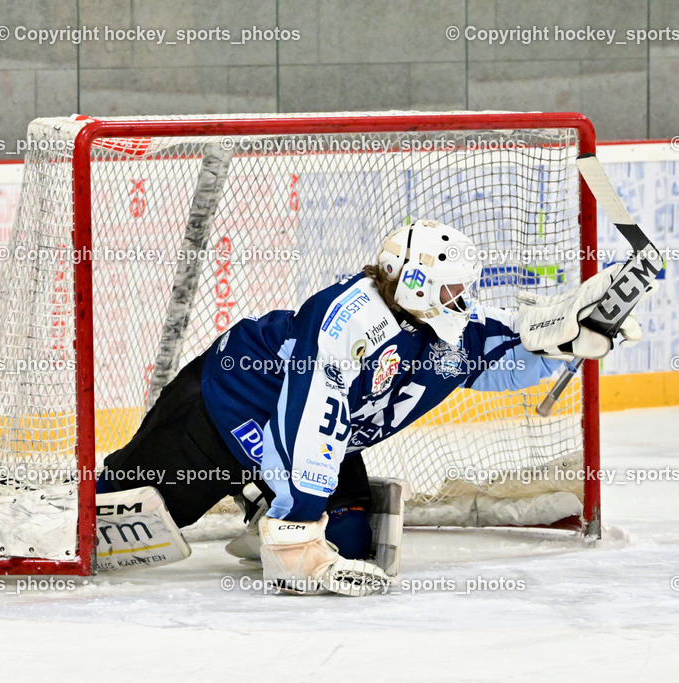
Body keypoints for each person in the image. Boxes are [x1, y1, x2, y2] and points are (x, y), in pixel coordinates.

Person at [96, 219, 641, 596]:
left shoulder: (442, 322)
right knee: (118, 526)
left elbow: (499, 353)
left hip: (304, 437)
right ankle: (259, 505)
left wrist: (564, 342)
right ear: (417, 283)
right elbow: (310, 421)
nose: (462, 300)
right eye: (451, 289)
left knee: (353, 545)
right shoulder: (348, 319)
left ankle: (265, 508)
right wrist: (296, 525)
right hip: (227, 410)